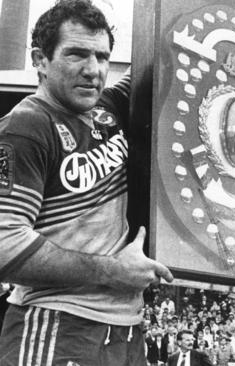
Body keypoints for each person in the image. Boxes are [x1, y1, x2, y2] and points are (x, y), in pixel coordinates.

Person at [0, 1, 174, 364]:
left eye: (102, 56)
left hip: (127, 327)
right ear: (40, 59)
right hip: (58, 323)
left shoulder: (107, 108)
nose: (93, 70)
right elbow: (5, 245)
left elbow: (165, 57)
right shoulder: (26, 127)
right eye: (77, 54)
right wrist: (112, 271)